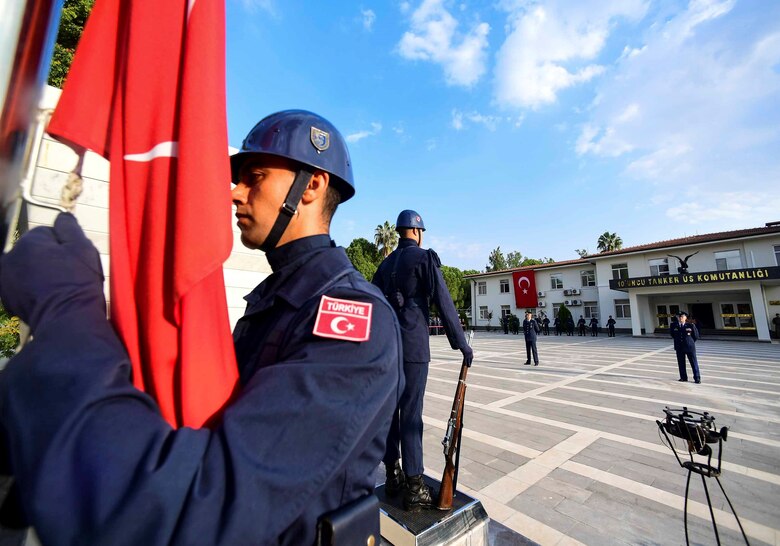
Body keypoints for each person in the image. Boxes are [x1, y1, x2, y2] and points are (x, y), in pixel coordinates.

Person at [0, 110, 404, 545]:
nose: (235, 192)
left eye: (256, 176)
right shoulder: (280, 297)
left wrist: (68, 318)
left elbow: (198, 505)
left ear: (311, 185)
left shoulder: (353, 320)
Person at [372, 210, 473, 511]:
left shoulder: (385, 264)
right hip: (414, 349)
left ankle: (393, 474)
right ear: (417, 232)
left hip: (388, 348)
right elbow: (443, 301)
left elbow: (373, 304)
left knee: (390, 413)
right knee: (412, 414)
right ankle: (415, 485)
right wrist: (461, 344)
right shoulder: (424, 258)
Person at [670, 311, 701, 383]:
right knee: (681, 363)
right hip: (679, 347)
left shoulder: (691, 325)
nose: (680, 318)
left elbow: (696, 336)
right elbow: (673, 335)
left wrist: (689, 342)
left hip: (689, 347)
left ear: (685, 318)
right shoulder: (673, 325)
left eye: (682, 316)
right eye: (679, 317)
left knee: (693, 362)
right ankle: (683, 377)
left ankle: (697, 378)